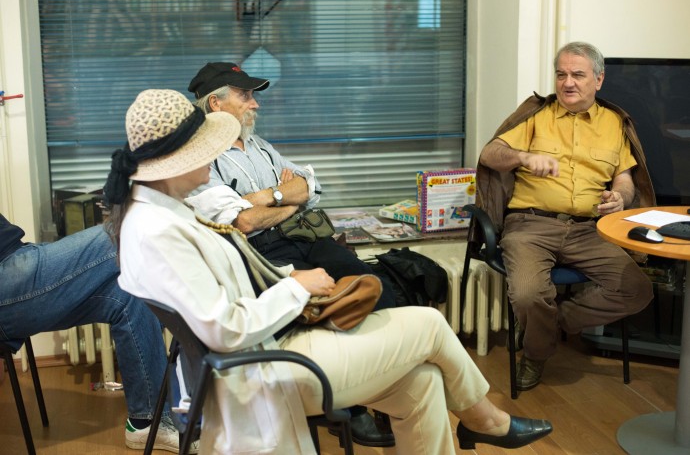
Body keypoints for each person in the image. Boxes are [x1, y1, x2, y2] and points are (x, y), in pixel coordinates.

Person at [103, 88, 553, 454]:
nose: (213, 158)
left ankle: (482, 422)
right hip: (262, 370)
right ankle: (486, 422)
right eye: (204, 151)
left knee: (424, 383)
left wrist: (290, 281)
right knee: (431, 325)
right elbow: (224, 328)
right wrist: (296, 288)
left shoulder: (163, 213)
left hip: (263, 351)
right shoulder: (158, 232)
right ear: (176, 161)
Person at [185, 62, 397, 446]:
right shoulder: (201, 159)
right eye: (245, 95)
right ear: (216, 103)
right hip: (259, 251)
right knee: (327, 303)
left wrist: (272, 197)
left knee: (374, 285)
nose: (255, 104)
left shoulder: (259, 145)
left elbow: (312, 186)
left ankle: (382, 392)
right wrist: (288, 199)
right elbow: (244, 222)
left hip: (304, 237)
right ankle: (347, 408)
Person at [475, 41, 656, 391]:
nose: (567, 83)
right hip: (530, 226)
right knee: (528, 295)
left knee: (637, 289)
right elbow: (490, 154)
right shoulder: (536, 115)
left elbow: (624, 178)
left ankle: (548, 325)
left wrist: (620, 197)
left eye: (577, 75)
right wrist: (523, 157)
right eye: (561, 74)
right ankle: (536, 355)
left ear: (598, 80)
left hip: (589, 229)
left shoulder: (614, 123)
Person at [0, 217, 197, 453]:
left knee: (129, 292)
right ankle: (211, 356)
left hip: (18, 257)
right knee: (122, 234)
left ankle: (146, 422)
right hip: (7, 276)